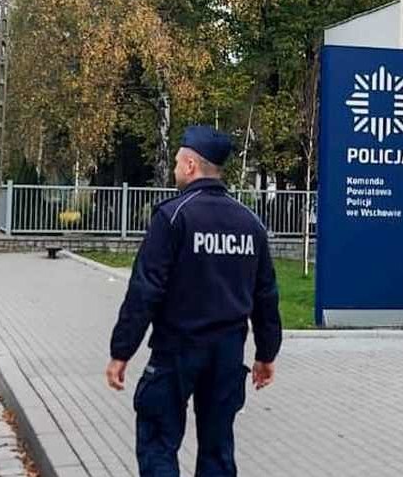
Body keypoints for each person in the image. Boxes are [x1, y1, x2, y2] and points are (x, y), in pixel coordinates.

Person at [106, 125, 282, 477]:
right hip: (227, 355)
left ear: (190, 166)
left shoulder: (173, 216)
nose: (174, 170)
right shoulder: (250, 223)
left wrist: (121, 351)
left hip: (177, 349)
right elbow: (266, 295)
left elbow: (145, 289)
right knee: (218, 450)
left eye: (176, 163)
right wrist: (266, 353)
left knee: (158, 442)